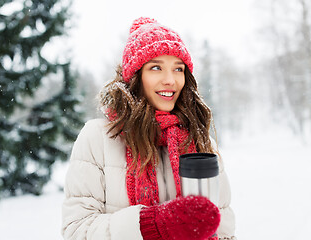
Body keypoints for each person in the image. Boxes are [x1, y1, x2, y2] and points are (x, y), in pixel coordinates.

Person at [62, 17, 236, 240]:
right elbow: (77, 231)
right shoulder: (98, 138)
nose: (170, 80)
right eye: (156, 67)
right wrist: (153, 225)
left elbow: (225, 230)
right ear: (136, 76)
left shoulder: (201, 143)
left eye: (178, 69)